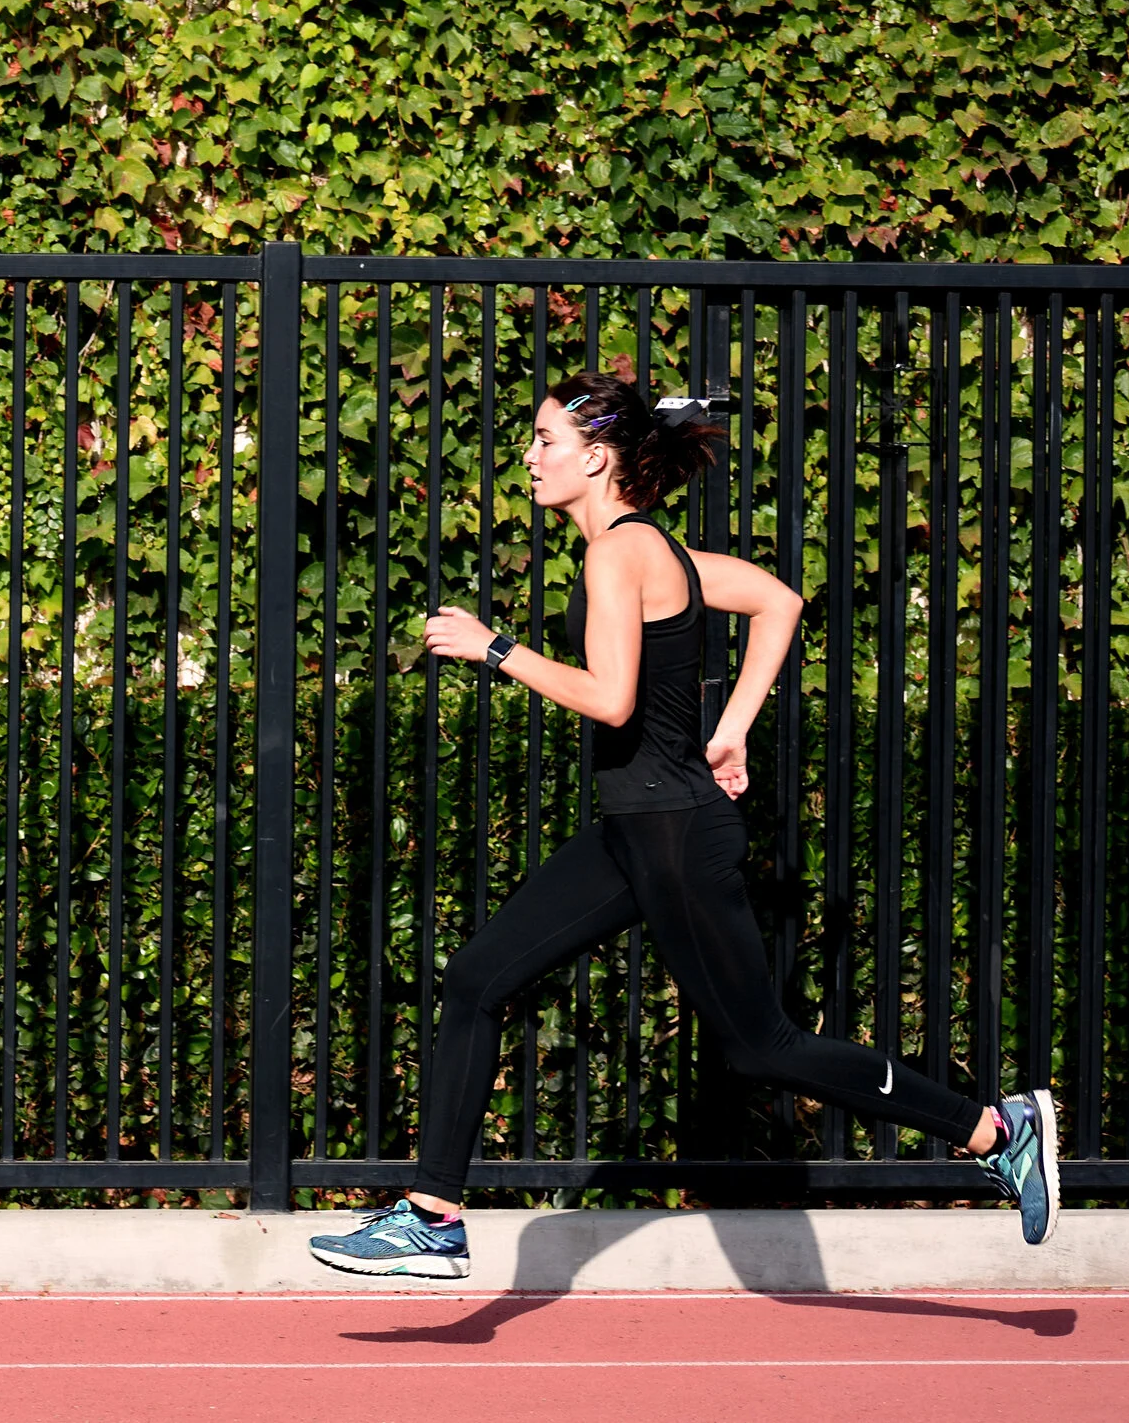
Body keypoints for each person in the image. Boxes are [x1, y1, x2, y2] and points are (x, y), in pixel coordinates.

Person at [309, 368, 1057, 1280]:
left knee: (764, 1046)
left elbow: (611, 699)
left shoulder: (618, 553)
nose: (530, 457)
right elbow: (780, 600)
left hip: (674, 837)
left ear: (596, 458)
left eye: (546, 441)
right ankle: (433, 1217)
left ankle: (996, 1128)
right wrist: (730, 728)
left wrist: (495, 647)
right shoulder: (650, 551)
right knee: (475, 979)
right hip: (635, 833)